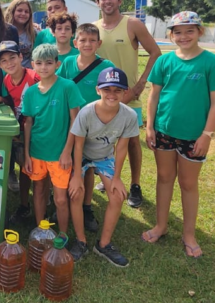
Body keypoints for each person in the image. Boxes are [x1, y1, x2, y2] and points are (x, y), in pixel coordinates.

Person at [142, 11, 215, 258]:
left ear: (200, 32)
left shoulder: (212, 63)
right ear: (170, 35)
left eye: (189, 31)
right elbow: (154, 96)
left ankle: (188, 234)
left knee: (188, 184)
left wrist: (207, 135)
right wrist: (149, 126)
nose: (183, 36)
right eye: (177, 32)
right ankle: (161, 225)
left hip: (194, 136)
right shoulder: (164, 62)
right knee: (164, 178)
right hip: (164, 132)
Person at [94, 0, 162, 208]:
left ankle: (135, 185)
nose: (108, 1)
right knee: (107, 140)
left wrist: (141, 83)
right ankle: (110, 177)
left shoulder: (132, 24)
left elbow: (155, 52)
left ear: (120, 0)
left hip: (129, 95)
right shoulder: (94, 28)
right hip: (104, 97)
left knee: (132, 142)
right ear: (98, 1)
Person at [67, 67, 139, 267]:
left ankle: (104, 244)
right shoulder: (87, 112)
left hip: (105, 157)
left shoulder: (129, 115)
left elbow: (122, 148)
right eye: (107, 89)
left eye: (118, 90)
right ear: (98, 89)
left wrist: (116, 177)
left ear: (125, 92)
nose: (112, 94)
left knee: (117, 195)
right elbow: (78, 145)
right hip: (83, 156)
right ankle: (80, 241)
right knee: (76, 193)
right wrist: (75, 176)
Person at [58, 23, 116, 232]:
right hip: (71, 123)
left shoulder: (106, 66)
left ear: (99, 43)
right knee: (70, 165)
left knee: (88, 167)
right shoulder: (68, 63)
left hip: (95, 126)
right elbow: (59, 87)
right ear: (75, 43)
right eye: (83, 40)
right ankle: (62, 202)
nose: (87, 44)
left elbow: (113, 93)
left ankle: (86, 206)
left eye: (92, 40)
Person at [22, 44, 84, 232]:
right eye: (39, 63)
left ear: (57, 64)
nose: (44, 67)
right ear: (33, 65)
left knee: (60, 198)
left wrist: (67, 151)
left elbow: (76, 119)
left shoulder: (67, 86)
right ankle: (41, 230)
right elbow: (28, 123)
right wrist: (26, 154)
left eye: (49, 63)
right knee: (39, 191)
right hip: (36, 151)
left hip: (59, 154)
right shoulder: (31, 92)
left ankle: (63, 234)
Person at [0, 41, 40, 225]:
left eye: (12, 57)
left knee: (33, 171)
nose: (9, 63)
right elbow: (12, 103)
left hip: (36, 130)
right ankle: (23, 205)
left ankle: (39, 208)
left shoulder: (34, 77)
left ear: (21, 57)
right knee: (22, 168)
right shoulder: (6, 79)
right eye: (4, 61)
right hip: (17, 130)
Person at [4, 0, 37, 68]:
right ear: (12, 11)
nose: (23, 13)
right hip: (8, 73)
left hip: (28, 74)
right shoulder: (3, 31)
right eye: (19, 10)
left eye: (26, 11)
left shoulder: (34, 33)